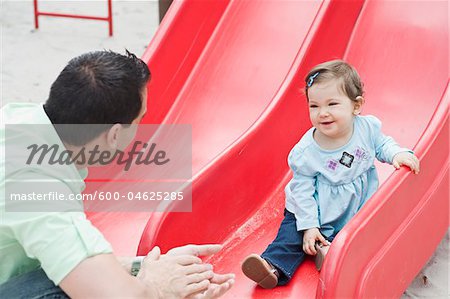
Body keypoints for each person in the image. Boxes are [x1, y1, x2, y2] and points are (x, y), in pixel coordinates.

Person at [0, 50, 234, 298]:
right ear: (114, 135)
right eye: (139, 120)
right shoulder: (38, 188)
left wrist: (143, 267)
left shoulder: (19, 121)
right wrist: (156, 288)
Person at [241, 59, 420, 289]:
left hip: (353, 206)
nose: (322, 113)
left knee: (356, 236)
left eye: (332, 104)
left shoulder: (366, 128)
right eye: (314, 106)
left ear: (356, 106)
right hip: (309, 209)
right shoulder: (306, 152)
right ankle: (273, 267)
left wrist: (397, 154)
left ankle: (328, 252)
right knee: (290, 238)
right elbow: (302, 192)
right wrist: (309, 226)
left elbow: (382, 145)